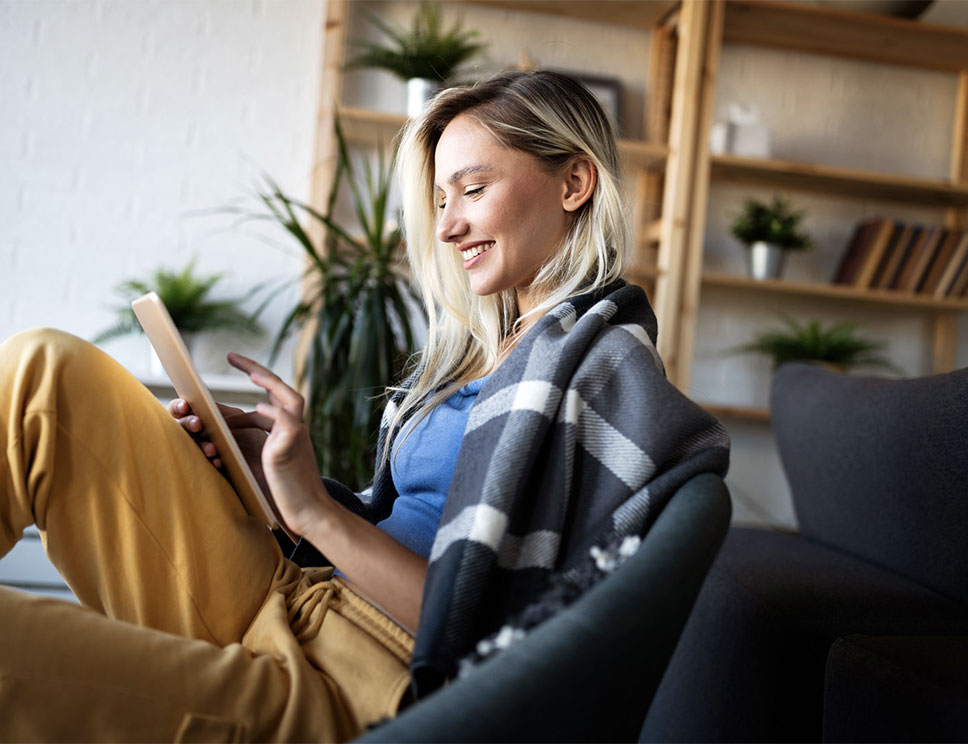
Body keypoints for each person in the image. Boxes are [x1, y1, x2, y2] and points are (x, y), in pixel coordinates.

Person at [0, 70, 729, 741]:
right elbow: (399, 527)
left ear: (574, 182)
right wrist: (285, 482)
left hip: (365, 680)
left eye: (472, 191)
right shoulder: (494, 356)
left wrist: (313, 511)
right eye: (442, 200)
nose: (445, 227)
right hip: (299, 593)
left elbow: (502, 642)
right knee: (45, 373)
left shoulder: (604, 373)